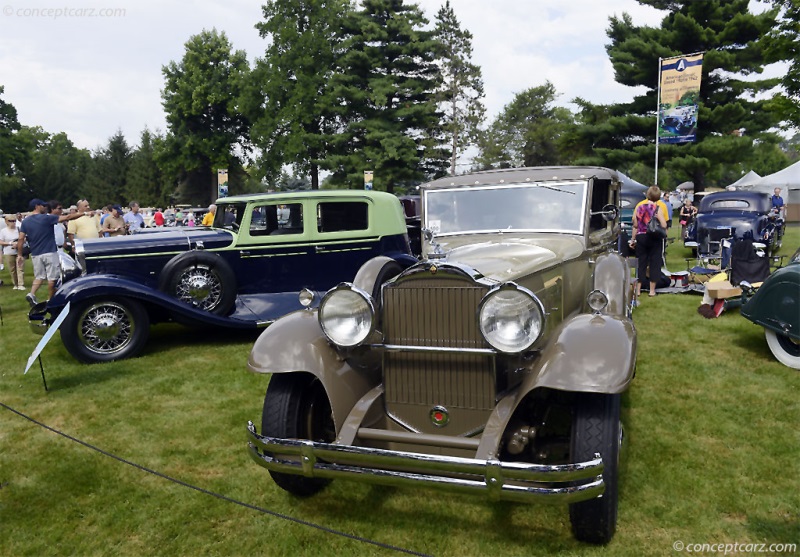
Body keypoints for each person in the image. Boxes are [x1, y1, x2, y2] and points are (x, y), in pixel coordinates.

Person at [17, 198, 88, 304]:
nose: (45, 208)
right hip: (50, 252)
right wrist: (84, 213)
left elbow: (21, 238)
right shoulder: (46, 218)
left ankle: (31, 294)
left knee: (39, 277)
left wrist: (19, 254)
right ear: (37, 206)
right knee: (52, 278)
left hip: (36, 254)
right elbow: (68, 217)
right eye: (43, 206)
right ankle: (51, 301)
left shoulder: (25, 221)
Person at [631, 186, 668, 299]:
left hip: (641, 237)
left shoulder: (640, 207)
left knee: (641, 263)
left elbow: (635, 225)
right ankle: (652, 291)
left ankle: (638, 290)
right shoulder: (658, 208)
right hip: (654, 238)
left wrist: (633, 239)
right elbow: (664, 225)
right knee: (654, 263)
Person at [0, 214, 24, 289]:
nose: (13, 222)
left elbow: (24, 238)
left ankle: (21, 284)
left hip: (19, 251)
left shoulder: (18, 229)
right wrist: (10, 243)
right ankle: (15, 284)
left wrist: (18, 244)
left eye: (14, 221)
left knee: (20, 268)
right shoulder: (3, 231)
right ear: (6, 222)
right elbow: (1, 241)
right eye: (11, 221)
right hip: (8, 252)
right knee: (12, 269)